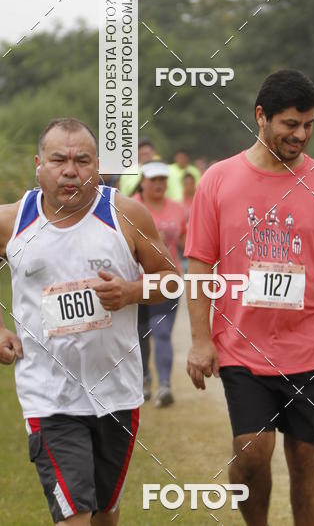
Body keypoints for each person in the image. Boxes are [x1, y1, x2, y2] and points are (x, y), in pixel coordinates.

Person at [185, 69, 314, 526]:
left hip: (309, 347)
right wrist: (200, 340)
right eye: (290, 124)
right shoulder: (218, 180)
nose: (301, 135)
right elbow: (199, 266)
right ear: (261, 116)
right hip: (241, 346)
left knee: (306, 456)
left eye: (308, 125)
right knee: (252, 452)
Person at [0, 118, 176, 526]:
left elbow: (171, 281)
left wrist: (131, 292)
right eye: (58, 160)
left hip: (117, 392)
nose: (70, 170)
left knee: (104, 511)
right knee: (75, 514)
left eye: (82, 160)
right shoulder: (12, 220)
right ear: (38, 165)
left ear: (98, 165)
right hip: (48, 396)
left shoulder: (126, 214)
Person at [134, 161, 187, 406]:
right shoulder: (128, 206)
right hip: (135, 283)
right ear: (143, 182)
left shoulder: (177, 209)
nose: (158, 184)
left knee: (162, 331)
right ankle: (144, 379)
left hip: (168, 280)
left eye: (162, 180)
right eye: (153, 180)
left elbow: (186, 240)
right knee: (140, 335)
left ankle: (164, 386)